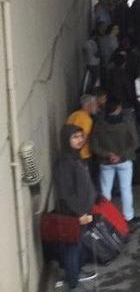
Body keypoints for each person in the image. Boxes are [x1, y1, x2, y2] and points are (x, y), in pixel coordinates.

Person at [47, 124, 98, 290]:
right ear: (66, 139)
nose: (79, 140)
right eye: (74, 137)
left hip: (83, 210)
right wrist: (79, 213)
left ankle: (76, 272)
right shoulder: (65, 162)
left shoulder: (76, 157)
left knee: (76, 245)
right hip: (74, 213)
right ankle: (73, 282)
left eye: (80, 136)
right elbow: (66, 193)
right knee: (72, 247)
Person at [90, 98, 140, 228]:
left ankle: (106, 217)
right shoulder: (126, 123)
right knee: (126, 189)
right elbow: (135, 142)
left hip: (106, 162)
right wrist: (120, 155)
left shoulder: (99, 124)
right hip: (124, 161)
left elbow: (94, 145)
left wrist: (108, 154)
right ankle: (128, 217)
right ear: (118, 109)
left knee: (106, 191)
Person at [65, 95, 99, 185]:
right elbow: (83, 138)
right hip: (83, 155)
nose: (96, 107)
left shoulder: (73, 115)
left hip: (69, 154)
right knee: (86, 183)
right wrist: (77, 153)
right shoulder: (87, 119)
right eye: (95, 104)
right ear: (89, 105)